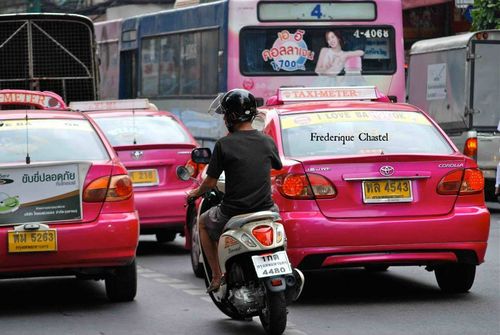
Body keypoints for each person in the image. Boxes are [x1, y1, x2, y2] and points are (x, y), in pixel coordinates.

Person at [186, 89, 283, 293]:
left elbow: (210, 182)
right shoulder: (267, 141)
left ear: (230, 116)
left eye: (224, 115)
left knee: (203, 222)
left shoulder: (224, 144)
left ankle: (216, 275)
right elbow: (277, 165)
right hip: (266, 208)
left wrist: (194, 193)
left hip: (234, 211)